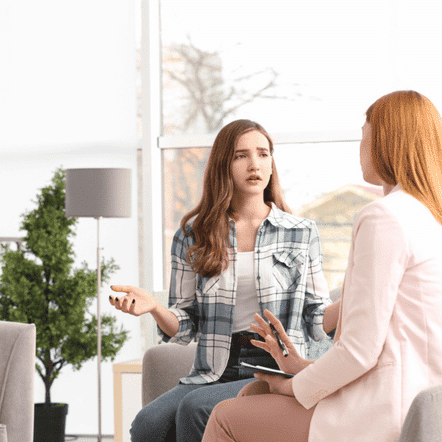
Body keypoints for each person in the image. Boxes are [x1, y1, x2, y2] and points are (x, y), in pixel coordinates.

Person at [201, 91, 442, 442]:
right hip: (418, 399)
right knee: (252, 395)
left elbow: (361, 352)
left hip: (383, 409)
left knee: (225, 417)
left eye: (365, 134)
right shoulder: (428, 218)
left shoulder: (384, 217)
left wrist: (297, 385)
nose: (361, 145)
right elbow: (394, 344)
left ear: (385, 140)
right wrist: (302, 367)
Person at [109, 119, 339, 442]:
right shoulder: (192, 235)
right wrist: (154, 307)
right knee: (148, 423)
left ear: (272, 164)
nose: (254, 164)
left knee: (194, 409)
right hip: (215, 369)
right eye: (241, 155)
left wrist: (356, 300)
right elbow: (185, 324)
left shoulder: (301, 233)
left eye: (262, 154)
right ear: (223, 165)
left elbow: (317, 319)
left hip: (271, 367)